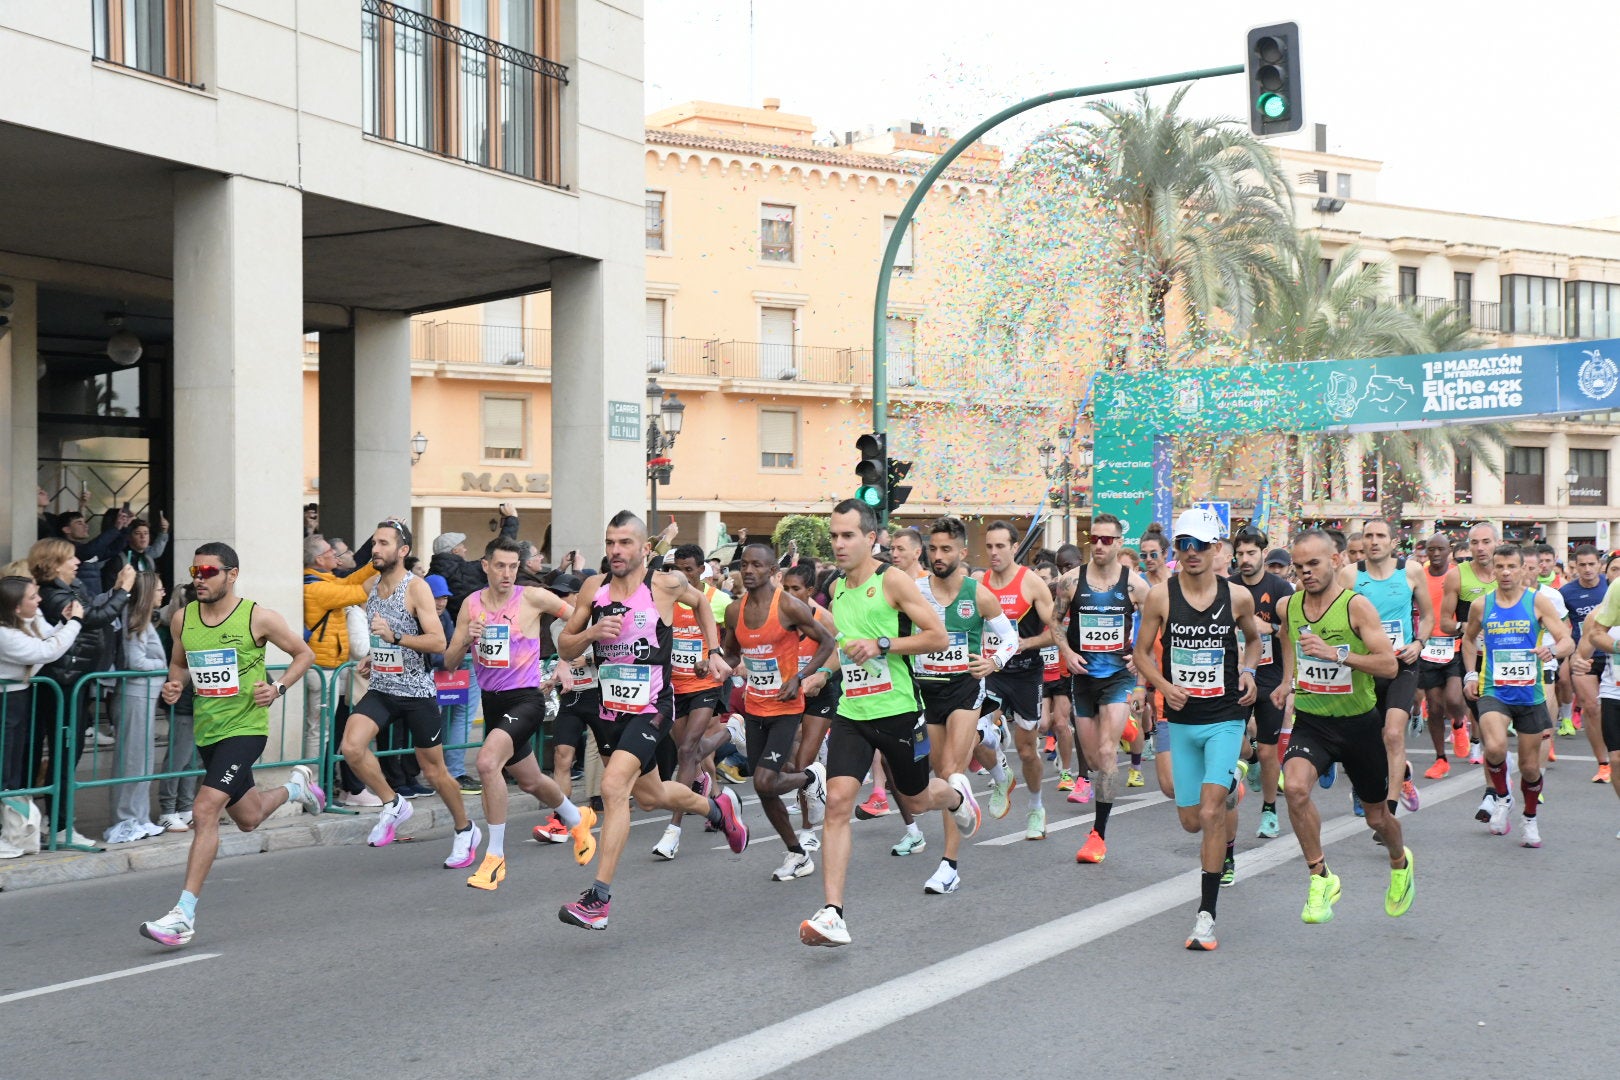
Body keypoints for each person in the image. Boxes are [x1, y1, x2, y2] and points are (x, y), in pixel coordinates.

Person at [799, 500, 979, 948]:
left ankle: (957, 796)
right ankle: (833, 913)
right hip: (853, 712)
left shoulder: (892, 580)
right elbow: (847, 646)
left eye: (847, 535)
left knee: (916, 800)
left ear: (870, 537)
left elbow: (937, 636)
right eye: (834, 536)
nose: (839, 544)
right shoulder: (835, 587)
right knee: (838, 803)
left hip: (898, 711)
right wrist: (825, 673)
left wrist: (882, 644)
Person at [555, 511, 745, 931]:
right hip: (610, 709)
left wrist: (714, 651)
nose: (616, 550)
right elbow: (566, 646)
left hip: (653, 706)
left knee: (613, 787)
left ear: (645, 548)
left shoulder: (664, 584)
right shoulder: (594, 589)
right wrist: (590, 634)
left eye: (625, 543)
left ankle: (598, 900)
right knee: (652, 796)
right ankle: (718, 810)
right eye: (610, 542)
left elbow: (702, 604)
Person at [140, 543, 322, 947]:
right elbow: (180, 664)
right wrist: (174, 686)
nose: (199, 579)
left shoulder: (258, 617)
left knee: (204, 809)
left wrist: (277, 687)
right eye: (195, 571)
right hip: (209, 731)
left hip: (246, 729)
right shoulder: (183, 618)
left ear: (232, 574)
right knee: (249, 818)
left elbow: (304, 654)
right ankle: (297, 788)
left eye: (208, 572)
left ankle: (183, 915)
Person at [1132, 507, 1261, 951]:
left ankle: (1205, 917)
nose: (1191, 552)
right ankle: (1231, 784)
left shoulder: (1237, 597)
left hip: (1225, 716)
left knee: (1209, 814)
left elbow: (1254, 639)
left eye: (1200, 545)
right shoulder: (1160, 597)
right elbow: (1142, 653)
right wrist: (1163, 685)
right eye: (1183, 544)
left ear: (1216, 549)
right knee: (1190, 821)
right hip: (1183, 719)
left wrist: (1248, 670)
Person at [1274, 530, 1410, 924]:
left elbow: (1389, 665)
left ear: (1335, 561)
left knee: (1377, 819)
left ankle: (1400, 863)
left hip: (1358, 726)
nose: (1306, 572)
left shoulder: (1356, 607)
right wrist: (1287, 680)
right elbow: (1287, 637)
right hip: (1312, 722)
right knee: (1294, 788)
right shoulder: (1290, 605)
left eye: (1313, 564)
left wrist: (1338, 654)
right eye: (1299, 566)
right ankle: (1321, 877)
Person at [443, 537, 594, 889]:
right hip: (493, 704)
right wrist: (466, 639)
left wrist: (565, 661)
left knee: (486, 763)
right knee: (530, 781)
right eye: (500, 566)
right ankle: (577, 818)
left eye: (513, 566)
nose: (507, 573)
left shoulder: (532, 597)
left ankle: (494, 857)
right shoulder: (471, 605)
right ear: (486, 565)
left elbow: (577, 622)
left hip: (525, 700)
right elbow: (450, 661)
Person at [339, 520, 476, 865]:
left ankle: (465, 829)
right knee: (351, 747)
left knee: (435, 772)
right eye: (374, 542)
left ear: (403, 551)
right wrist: (374, 656)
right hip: (383, 688)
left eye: (384, 543)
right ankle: (393, 803)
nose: (375, 549)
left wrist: (395, 638)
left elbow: (438, 642)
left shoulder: (416, 588)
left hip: (416, 692)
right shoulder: (371, 585)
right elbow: (382, 637)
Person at [908, 516, 1018, 894]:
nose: (938, 556)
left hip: (964, 689)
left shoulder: (978, 594)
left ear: (962, 552)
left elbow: (1010, 638)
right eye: (933, 549)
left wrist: (994, 662)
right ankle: (976, 776)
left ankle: (949, 866)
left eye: (946, 549)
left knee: (952, 771)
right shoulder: (914, 591)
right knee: (940, 775)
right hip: (927, 691)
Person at [719, 541, 835, 882]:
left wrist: (800, 677)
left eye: (757, 565)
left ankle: (811, 777)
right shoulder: (734, 611)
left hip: (785, 707)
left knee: (764, 779)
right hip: (754, 706)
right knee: (764, 787)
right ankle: (797, 854)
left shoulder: (788, 606)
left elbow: (827, 642)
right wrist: (714, 663)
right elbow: (732, 654)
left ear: (773, 572)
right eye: (744, 565)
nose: (748, 570)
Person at [1461, 543, 1572, 848]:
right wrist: (1470, 674)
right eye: (1500, 567)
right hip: (1494, 689)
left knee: (1530, 767)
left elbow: (1567, 640)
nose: (1506, 572)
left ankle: (1530, 818)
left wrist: (1553, 650)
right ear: (1493, 570)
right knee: (1495, 748)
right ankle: (1502, 797)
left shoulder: (1538, 602)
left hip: (1529, 693)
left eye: (1512, 566)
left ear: (1523, 569)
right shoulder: (1482, 605)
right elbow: (1468, 640)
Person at [30, 538, 135, 846]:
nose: (78, 562)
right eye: (70, 558)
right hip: (61, 682)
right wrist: (124, 590)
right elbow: (94, 618)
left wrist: (116, 590)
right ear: (53, 564)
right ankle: (59, 824)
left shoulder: (70, 588)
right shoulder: (53, 595)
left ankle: (55, 820)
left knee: (69, 753)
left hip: (75, 679)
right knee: (64, 753)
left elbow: (94, 610)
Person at [1063, 514, 1149, 865]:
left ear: (1118, 543)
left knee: (1107, 752)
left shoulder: (1135, 586)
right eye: (1094, 538)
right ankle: (1128, 726)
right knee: (1095, 760)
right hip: (1083, 677)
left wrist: (1139, 657)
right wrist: (1066, 652)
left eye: (1107, 540)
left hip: (1118, 677)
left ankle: (1098, 835)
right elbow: (1054, 620)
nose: (1098, 545)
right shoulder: (1070, 581)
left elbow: (1154, 623)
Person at [977, 520, 1067, 842]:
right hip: (992, 672)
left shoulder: (1031, 583)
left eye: (1000, 546)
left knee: (1027, 751)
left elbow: (1056, 631)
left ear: (1015, 547)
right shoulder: (979, 583)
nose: (994, 552)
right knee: (975, 733)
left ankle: (1036, 807)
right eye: (989, 546)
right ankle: (1001, 774)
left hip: (1026, 673)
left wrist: (1027, 642)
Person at [1340, 519, 1431, 817]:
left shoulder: (1411, 571)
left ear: (1393, 543)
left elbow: (1428, 616)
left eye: (1381, 536)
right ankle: (1398, 773)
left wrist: (1418, 643)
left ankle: (1389, 810)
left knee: (1392, 733)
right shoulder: (1350, 575)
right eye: (1369, 536)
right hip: (1364, 667)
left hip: (1401, 665)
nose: (1374, 541)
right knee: (1366, 740)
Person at [653, 543, 733, 860]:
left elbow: (733, 638)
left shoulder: (718, 600)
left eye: (688, 570)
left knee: (687, 750)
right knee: (689, 751)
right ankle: (730, 735)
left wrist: (716, 655)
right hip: (674, 686)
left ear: (702, 570)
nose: (682, 575)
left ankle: (672, 832)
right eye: (676, 569)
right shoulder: (666, 596)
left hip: (705, 683)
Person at [0, 575, 82, 840]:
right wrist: (76, 622)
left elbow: (46, 638)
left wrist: (63, 623)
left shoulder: (20, 623)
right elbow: (45, 651)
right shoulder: (4, 633)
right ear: (15, 607)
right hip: (6, 702)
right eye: (32, 597)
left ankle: (13, 832)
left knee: (13, 770)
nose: (39, 600)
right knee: (4, 770)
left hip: (18, 698)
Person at [301, 533, 381, 801]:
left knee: (323, 731)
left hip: (329, 668)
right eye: (330, 553)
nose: (335, 556)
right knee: (318, 732)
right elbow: (358, 590)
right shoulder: (316, 588)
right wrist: (383, 565)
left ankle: (315, 785)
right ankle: (309, 786)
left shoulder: (326, 581)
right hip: (321, 670)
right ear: (318, 559)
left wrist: (377, 560)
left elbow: (354, 579)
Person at [1231, 529, 1292, 839]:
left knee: (1269, 752)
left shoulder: (1280, 588)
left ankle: (1269, 810)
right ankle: (1250, 759)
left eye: (1251, 553)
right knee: (1234, 742)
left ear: (1263, 554)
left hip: (1270, 678)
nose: (1245, 559)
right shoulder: (1227, 587)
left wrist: (1270, 627)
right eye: (1240, 554)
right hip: (1236, 677)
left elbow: (1294, 633)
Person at [105, 572, 168, 844]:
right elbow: (136, 662)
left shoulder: (143, 619)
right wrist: (162, 666)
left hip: (144, 695)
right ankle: (126, 819)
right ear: (148, 592)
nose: (163, 594)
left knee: (142, 761)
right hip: (135, 695)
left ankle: (139, 817)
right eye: (159, 589)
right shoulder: (135, 619)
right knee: (132, 761)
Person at [1416, 534, 1468, 779]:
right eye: (1431, 549)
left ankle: (1459, 723)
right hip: (1428, 646)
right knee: (1435, 707)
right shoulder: (1419, 576)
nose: (1436, 554)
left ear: (1450, 551)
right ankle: (1440, 759)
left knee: (1455, 699)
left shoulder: (1457, 575)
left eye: (1440, 549)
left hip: (1454, 644)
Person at [1559, 544, 1610, 781]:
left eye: (1591, 564)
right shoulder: (1566, 592)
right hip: (1584, 656)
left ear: (1600, 565)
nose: (1587, 569)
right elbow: (1559, 624)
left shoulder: (1610, 587)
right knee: (1591, 707)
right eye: (1582, 565)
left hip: (1611, 655)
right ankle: (1603, 763)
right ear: (1575, 567)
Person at [154, 584, 199, 832]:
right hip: (182, 701)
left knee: (192, 759)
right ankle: (168, 810)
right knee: (178, 758)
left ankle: (185, 807)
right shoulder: (174, 628)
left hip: (198, 700)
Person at [1456, 523, 1499, 767]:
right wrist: (1467, 626)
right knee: (1481, 711)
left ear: (1497, 543)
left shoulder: (1509, 574)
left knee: (1498, 719)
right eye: (1474, 543)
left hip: (1504, 658)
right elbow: (1444, 621)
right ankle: (1479, 745)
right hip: (1472, 653)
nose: (1480, 548)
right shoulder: (1458, 574)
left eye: (1486, 542)